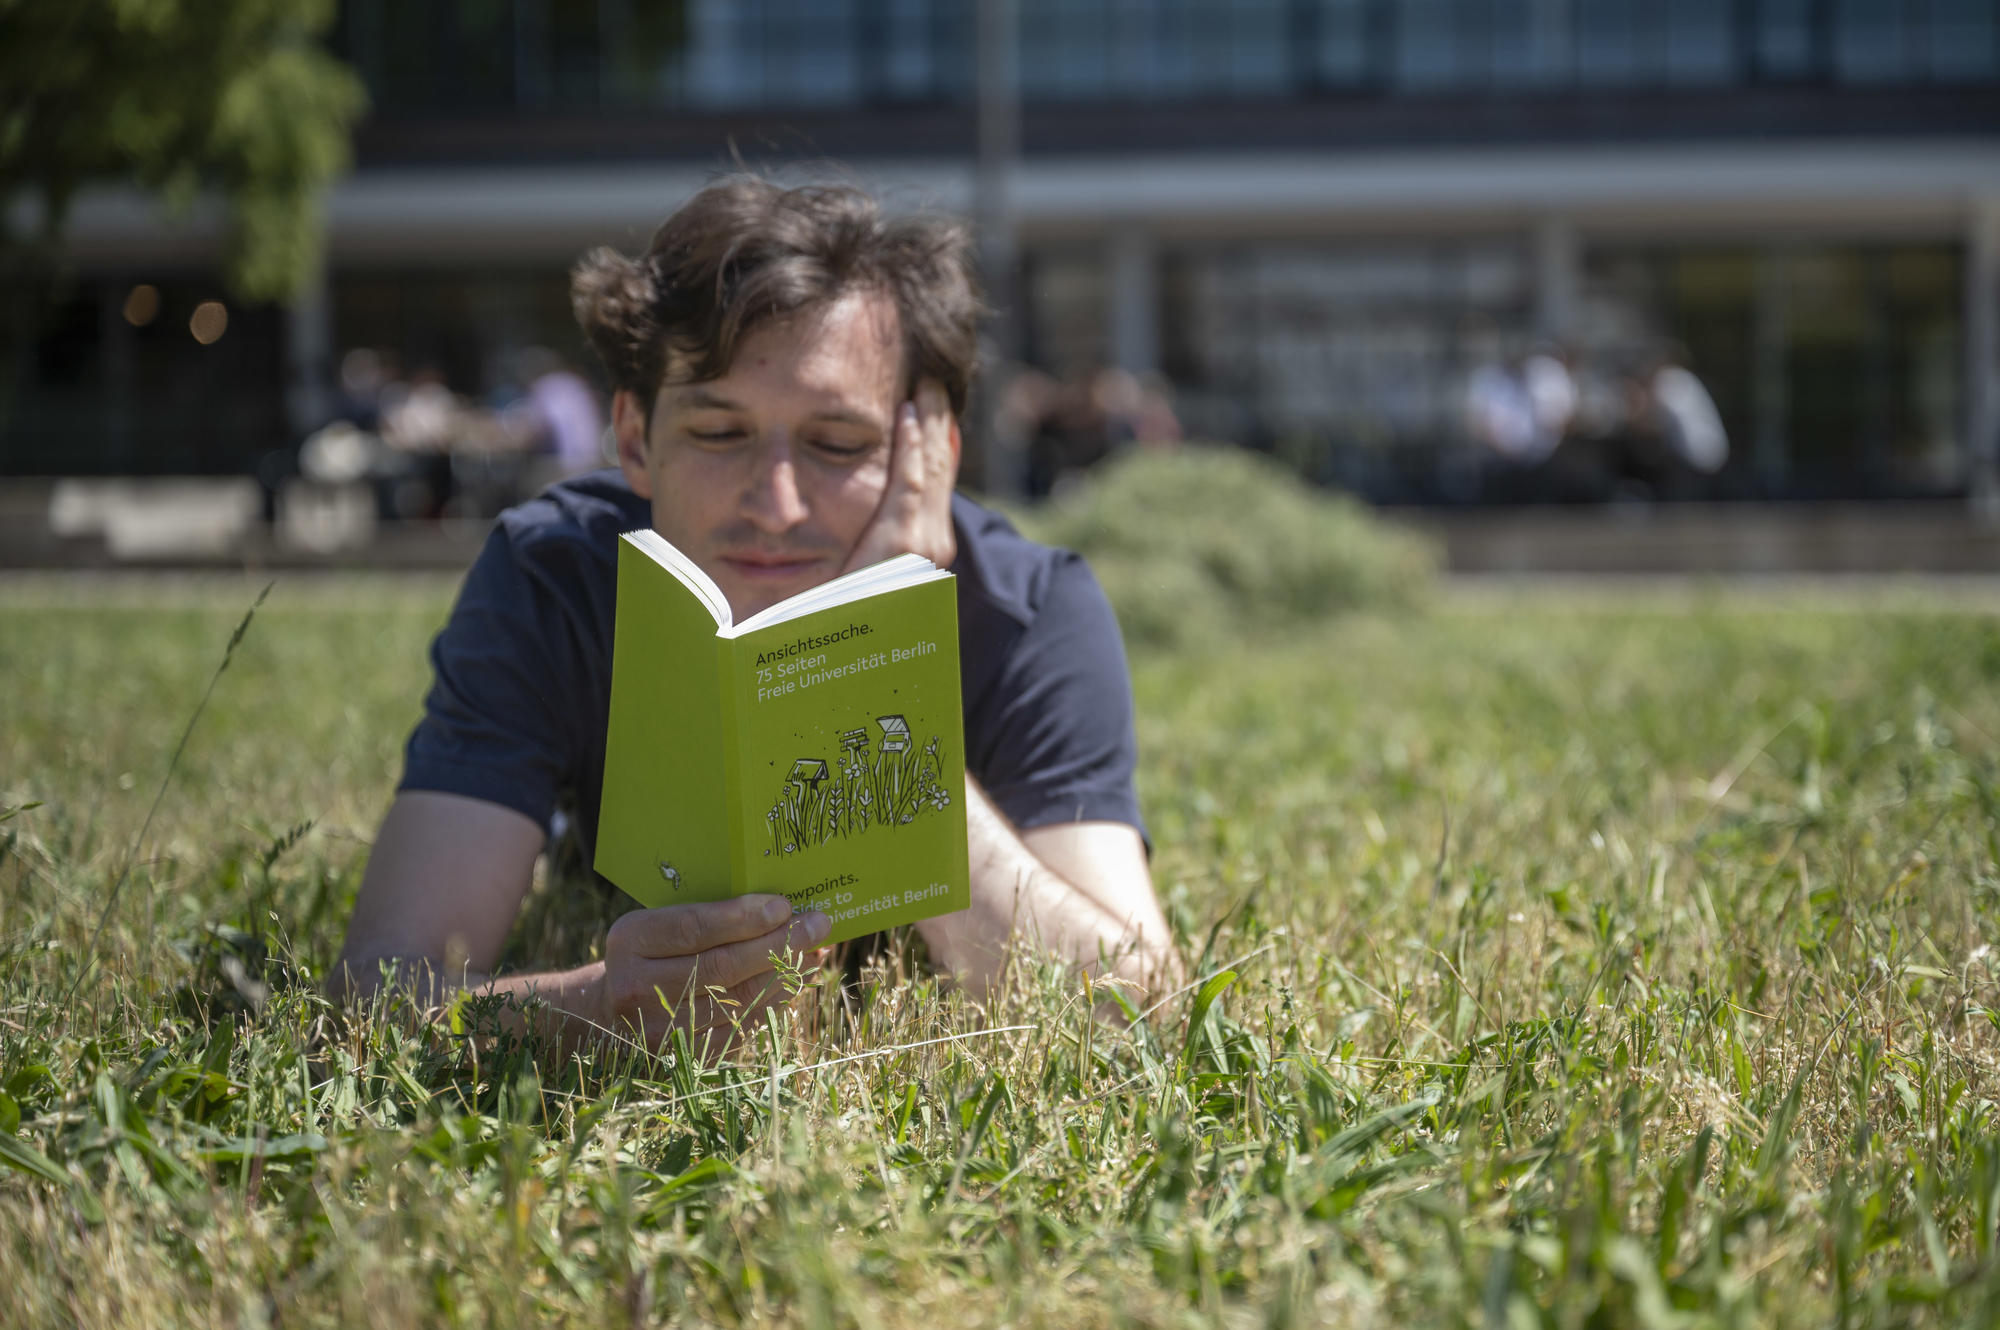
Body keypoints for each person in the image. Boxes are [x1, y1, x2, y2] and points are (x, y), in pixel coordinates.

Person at [331, 178, 1182, 1054]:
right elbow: (374, 991)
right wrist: (595, 1008)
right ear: (633, 439)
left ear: (929, 453)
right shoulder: (551, 576)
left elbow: (1136, 1010)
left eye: (838, 444)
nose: (775, 504)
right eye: (718, 433)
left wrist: (874, 648)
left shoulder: (1033, 611)